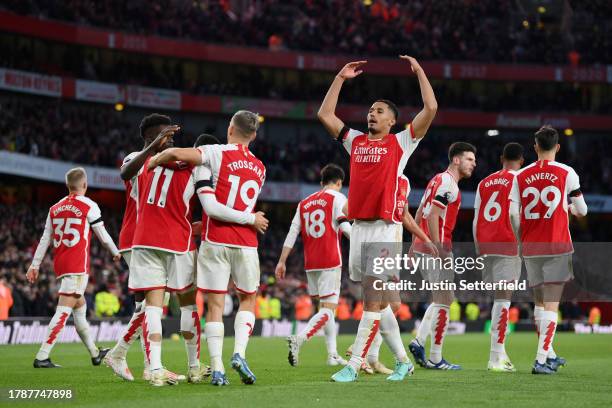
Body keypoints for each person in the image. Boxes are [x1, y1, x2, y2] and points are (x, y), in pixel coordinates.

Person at [317, 55, 437, 382]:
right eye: (370, 110)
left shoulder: (401, 142)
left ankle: (354, 364)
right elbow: (325, 114)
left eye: (379, 111)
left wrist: (420, 72)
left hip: (385, 229)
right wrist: (340, 77)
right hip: (359, 228)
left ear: (392, 122)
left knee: (371, 302)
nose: (372, 113)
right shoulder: (354, 141)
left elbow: (430, 109)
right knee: (381, 302)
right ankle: (403, 360)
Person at [147, 110, 268, 386]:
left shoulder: (215, 153)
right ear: (254, 135)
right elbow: (243, 205)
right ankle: (239, 353)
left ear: (230, 129)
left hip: (215, 241)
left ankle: (217, 368)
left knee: (215, 306)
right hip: (247, 242)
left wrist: (156, 158)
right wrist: (251, 218)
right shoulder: (261, 168)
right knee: (247, 300)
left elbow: (178, 155)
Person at [104, 114, 184, 382]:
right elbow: (125, 173)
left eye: (171, 136)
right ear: (150, 137)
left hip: (155, 239)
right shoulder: (135, 157)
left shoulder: (168, 160)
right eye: (165, 135)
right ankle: (142, 362)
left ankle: (140, 360)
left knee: (151, 303)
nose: (170, 139)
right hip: (135, 237)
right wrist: (154, 147)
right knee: (154, 300)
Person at [509, 125, 587, 374]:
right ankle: (541, 360)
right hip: (557, 245)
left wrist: (521, 238)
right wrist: (568, 208)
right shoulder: (567, 172)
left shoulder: (520, 175)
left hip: (531, 246)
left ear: (535, 147)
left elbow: (512, 212)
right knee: (552, 305)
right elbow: (582, 210)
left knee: (540, 304)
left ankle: (549, 353)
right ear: (558, 147)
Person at [27, 167, 120, 368]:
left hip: (61, 265)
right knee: (63, 311)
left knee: (80, 307)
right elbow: (103, 236)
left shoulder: (55, 207)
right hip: (77, 266)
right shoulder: (89, 205)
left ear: (67, 185)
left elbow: (45, 240)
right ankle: (42, 356)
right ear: (84, 185)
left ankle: (95, 353)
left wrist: (34, 265)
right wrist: (115, 252)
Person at [408, 142, 477, 370]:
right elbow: (434, 216)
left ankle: (427, 349)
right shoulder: (449, 183)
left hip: (423, 245)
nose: (473, 164)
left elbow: (419, 211)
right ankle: (428, 349)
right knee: (444, 299)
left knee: (443, 299)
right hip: (435, 247)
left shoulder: (436, 179)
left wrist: (412, 245)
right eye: (469, 159)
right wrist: (440, 249)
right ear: (456, 160)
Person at [275, 164, 351, 367]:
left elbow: (292, 233)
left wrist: (282, 261)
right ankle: (299, 339)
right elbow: (344, 226)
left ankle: (332, 354)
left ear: (321, 183)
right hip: (330, 259)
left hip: (311, 263)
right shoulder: (338, 198)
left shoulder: (304, 203)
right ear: (339, 182)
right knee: (329, 309)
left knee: (325, 308)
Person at [473, 142, 524, 372]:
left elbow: (475, 219)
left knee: (498, 299)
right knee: (503, 300)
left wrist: (478, 247)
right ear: (521, 160)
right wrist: (521, 241)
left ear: (501, 158)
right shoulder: (521, 178)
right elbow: (515, 213)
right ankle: (495, 357)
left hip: (486, 243)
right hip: (507, 243)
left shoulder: (484, 182)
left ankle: (501, 354)